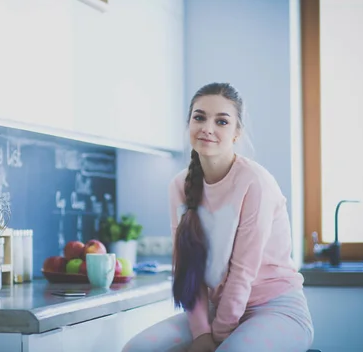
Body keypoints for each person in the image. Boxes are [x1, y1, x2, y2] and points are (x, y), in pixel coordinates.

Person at [122, 83, 314, 352]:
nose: (207, 128)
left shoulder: (255, 182)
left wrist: (218, 335)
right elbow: (188, 269)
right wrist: (201, 333)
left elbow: (242, 272)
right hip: (216, 309)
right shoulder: (179, 186)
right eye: (199, 117)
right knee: (138, 349)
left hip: (275, 308)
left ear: (237, 132)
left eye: (221, 121)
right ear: (188, 123)